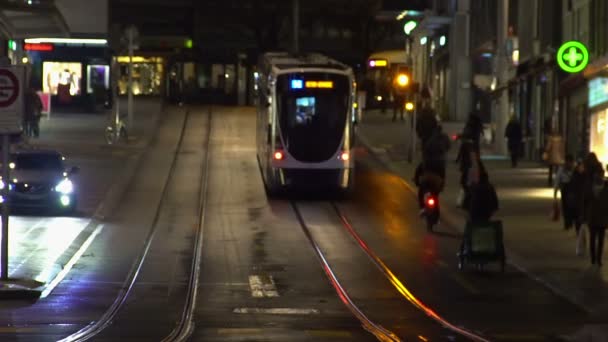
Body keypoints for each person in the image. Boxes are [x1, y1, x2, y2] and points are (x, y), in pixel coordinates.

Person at [587, 170, 608, 266]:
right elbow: (584, 202)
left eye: (600, 175)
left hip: (602, 217)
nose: (599, 177)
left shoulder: (606, 188)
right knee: (592, 239)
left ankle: (598, 259)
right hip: (592, 217)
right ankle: (593, 258)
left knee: (600, 240)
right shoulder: (589, 187)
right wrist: (583, 216)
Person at [554, 154, 576, 230]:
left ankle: (570, 221)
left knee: (571, 207)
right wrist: (555, 192)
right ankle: (567, 222)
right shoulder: (561, 169)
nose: (570, 163)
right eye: (569, 162)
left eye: (571, 162)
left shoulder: (575, 169)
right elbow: (557, 180)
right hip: (565, 189)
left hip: (572, 189)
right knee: (566, 206)